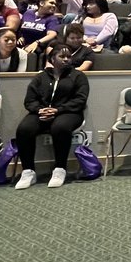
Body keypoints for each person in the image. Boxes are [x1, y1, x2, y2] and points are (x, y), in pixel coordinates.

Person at [14, 42, 90, 189]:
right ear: (52, 58)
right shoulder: (41, 77)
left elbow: (80, 100)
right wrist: (39, 110)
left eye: (69, 56)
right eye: (62, 56)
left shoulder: (78, 76)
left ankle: (60, 169)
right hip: (41, 112)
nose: (66, 59)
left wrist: (57, 110)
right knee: (24, 129)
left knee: (60, 127)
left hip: (70, 113)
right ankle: (28, 171)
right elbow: (30, 100)